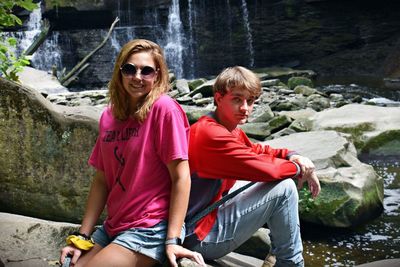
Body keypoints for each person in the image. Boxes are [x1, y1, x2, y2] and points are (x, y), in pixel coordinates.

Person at [60, 39, 205, 267]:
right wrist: (83, 236)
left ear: (157, 75)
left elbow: (181, 177)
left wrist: (173, 239)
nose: (137, 77)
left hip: (150, 227)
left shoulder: (164, 109)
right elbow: (102, 180)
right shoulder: (109, 116)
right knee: (71, 264)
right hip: (114, 225)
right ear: (120, 72)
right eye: (129, 69)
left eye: (146, 71)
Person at [184, 66, 320, 267]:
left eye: (251, 101)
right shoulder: (210, 134)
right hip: (197, 236)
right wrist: (302, 169)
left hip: (206, 211)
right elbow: (269, 170)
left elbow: (257, 150)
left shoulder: (224, 127)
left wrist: (292, 155)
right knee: (284, 189)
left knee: (275, 182)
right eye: (237, 99)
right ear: (218, 98)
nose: (245, 108)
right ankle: (291, 263)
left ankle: (276, 254)